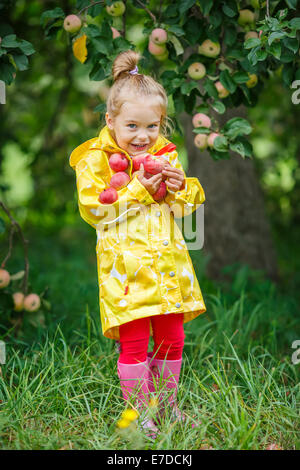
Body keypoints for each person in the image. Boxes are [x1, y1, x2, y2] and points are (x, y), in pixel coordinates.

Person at [69, 50, 206, 439]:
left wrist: (183, 189)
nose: (143, 136)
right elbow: (95, 210)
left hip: (167, 267)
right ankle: (139, 413)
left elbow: (183, 210)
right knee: (133, 341)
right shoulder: (94, 159)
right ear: (110, 120)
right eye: (132, 126)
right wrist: (138, 190)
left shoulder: (164, 153)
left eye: (152, 126)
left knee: (172, 336)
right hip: (125, 271)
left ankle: (168, 407)